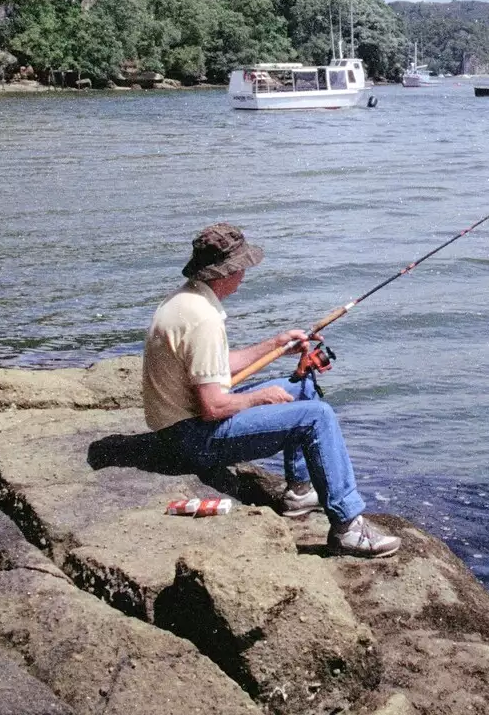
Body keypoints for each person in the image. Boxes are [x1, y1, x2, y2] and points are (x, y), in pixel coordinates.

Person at [143, 222, 401, 558]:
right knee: (317, 417)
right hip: (190, 438)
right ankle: (347, 528)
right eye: (243, 267)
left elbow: (215, 366)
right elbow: (212, 408)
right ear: (226, 272)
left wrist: (275, 345)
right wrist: (258, 398)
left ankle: (300, 491)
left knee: (301, 387)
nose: (246, 274)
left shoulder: (185, 300)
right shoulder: (203, 320)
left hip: (179, 427)